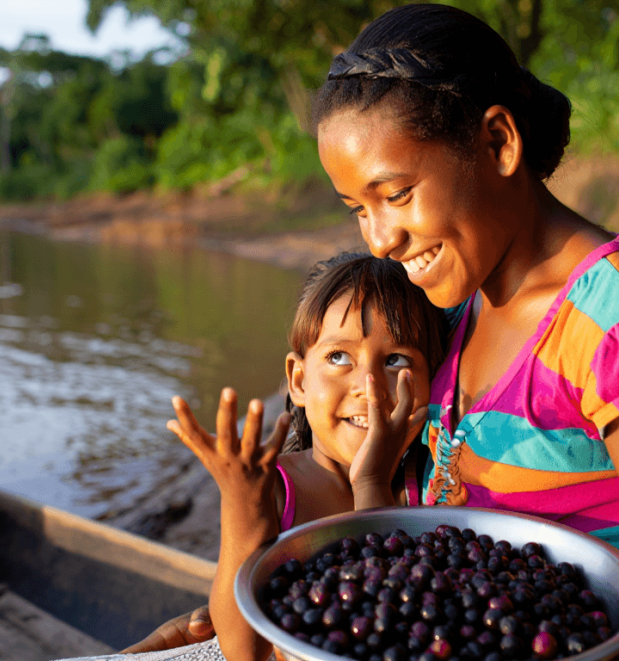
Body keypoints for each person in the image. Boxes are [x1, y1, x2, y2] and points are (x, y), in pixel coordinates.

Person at [126, 4, 619, 659]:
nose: (380, 240)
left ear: (498, 143)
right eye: (359, 209)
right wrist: (268, 606)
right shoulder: (453, 303)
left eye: (396, 195)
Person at [153, 252, 448, 661]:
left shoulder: (431, 483)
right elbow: (244, 652)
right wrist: (242, 503)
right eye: (339, 357)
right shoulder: (273, 487)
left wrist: (372, 482)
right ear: (298, 380)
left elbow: (389, 620)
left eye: (396, 360)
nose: (370, 387)